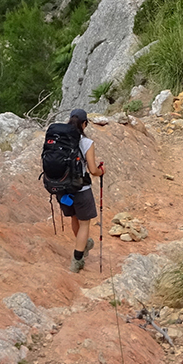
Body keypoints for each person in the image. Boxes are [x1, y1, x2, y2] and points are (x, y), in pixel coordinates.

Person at [58, 108, 105, 272]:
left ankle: (82, 245)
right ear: (84, 124)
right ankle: (76, 261)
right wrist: (101, 172)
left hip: (63, 189)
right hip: (81, 189)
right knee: (85, 224)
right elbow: (92, 170)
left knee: (75, 218)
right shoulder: (86, 143)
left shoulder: (59, 140)